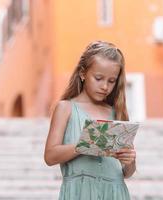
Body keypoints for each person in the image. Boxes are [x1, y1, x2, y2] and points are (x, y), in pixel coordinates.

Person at [44, 41, 136, 200]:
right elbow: (50, 156)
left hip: (115, 192)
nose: (105, 86)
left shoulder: (116, 112)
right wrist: (85, 145)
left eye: (111, 81)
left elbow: (127, 173)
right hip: (80, 192)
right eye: (98, 78)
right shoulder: (66, 108)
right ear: (83, 73)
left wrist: (130, 161)